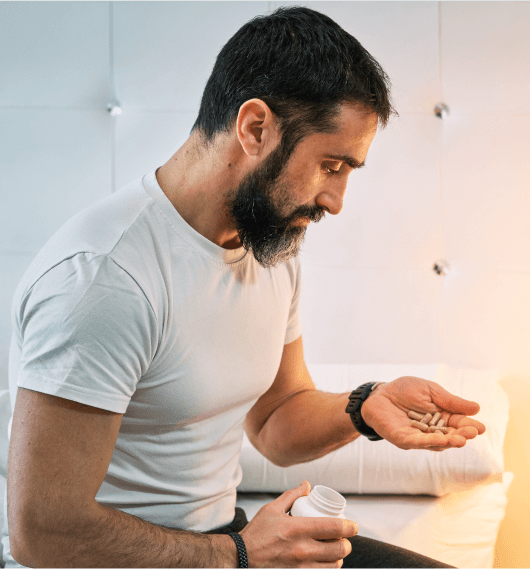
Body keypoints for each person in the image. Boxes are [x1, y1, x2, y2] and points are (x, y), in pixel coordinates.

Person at [3, 6, 485, 569]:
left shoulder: (270, 241)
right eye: (331, 165)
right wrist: (237, 554)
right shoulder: (105, 279)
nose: (336, 200)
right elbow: (45, 532)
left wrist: (364, 407)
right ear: (255, 128)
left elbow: (276, 419)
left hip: (220, 543)